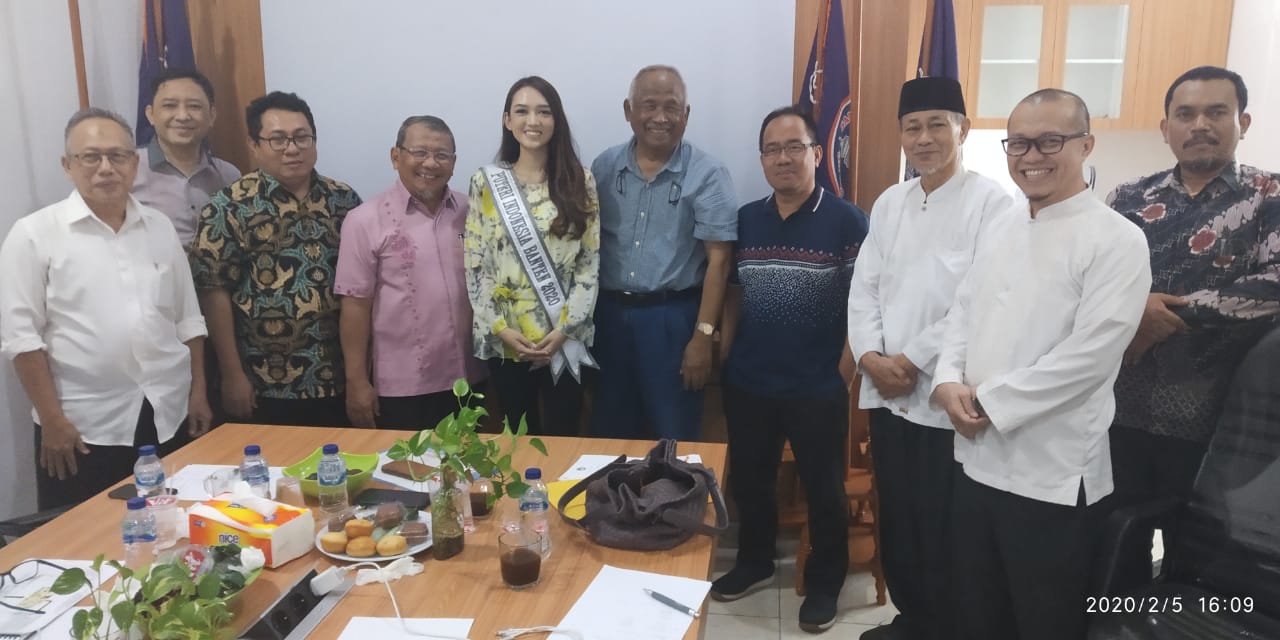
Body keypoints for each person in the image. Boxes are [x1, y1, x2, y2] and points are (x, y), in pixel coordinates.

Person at [931, 89, 1151, 640]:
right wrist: (947, 380)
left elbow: (1090, 357)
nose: (1032, 156)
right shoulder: (1001, 225)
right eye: (1019, 143)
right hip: (976, 459)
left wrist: (987, 401)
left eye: (1050, 141)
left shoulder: (1118, 239)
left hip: (1052, 474)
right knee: (977, 613)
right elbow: (962, 311)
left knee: (1045, 621)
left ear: (1086, 145)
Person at [846, 77, 1012, 640]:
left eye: (937, 124)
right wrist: (870, 355)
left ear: (963, 129)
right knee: (899, 514)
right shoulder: (889, 202)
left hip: (945, 396)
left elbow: (977, 298)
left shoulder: (991, 202)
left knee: (945, 522)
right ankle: (911, 618)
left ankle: (947, 627)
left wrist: (911, 360)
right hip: (887, 393)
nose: (924, 138)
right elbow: (864, 287)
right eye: (912, 127)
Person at [1104, 66, 1280, 590]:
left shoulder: (1269, 197)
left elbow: (1274, 281)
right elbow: (1092, 280)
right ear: (1166, 128)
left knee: (1204, 565)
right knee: (1116, 550)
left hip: (1221, 426)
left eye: (1216, 112)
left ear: (1242, 122)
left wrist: (1168, 316)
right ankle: (1121, 621)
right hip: (1120, 413)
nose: (1199, 124)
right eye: (1185, 114)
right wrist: (1132, 309)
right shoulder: (1127, 198)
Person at [0, 108, 210, 509]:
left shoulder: (159, 226)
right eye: (91, 157)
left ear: (135, 163)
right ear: (67, 165)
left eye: (118, 156)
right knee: (83, 536)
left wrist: (198, 392)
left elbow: (188, 319)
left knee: (173, 525)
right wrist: (51, 420)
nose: (106, 168)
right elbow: (21, 340)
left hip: (167, 410)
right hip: (82, 427)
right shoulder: (33, 235)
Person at [712, 105, 868, 634]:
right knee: (752, 481)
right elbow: (734, 294)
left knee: (824, 488)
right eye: (772, 149)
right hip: (750, 381)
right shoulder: (746, 219)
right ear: (761, 159)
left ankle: (825, 582)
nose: (783, 158)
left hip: (817, 385)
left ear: (817, 153)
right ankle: (754, 561)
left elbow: (865, 304)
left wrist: (843, 372)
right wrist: (726, 355)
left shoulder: (847, 221)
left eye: (794, 147)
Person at [190, 91, 362, 427]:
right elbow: (213, 294)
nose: (292, 148)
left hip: (339, 378)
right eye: (278, 139)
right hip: (264, 383)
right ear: (254, 144)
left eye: (301, 137)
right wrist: (231, 374)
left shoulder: (344, 200)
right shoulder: (228, 207)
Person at [589, 65, 737, 441]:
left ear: (686, 114)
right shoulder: (603, 168)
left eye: (671, 107)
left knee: (675, 438)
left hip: (673, 321)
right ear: (628, 110)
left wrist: (703, 336)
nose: (660, 117)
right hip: (608, 318)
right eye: (649, 105)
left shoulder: (708, 174)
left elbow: (719, 262)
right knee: (609, 435)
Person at [464, 76, 600, 436]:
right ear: (507, 120)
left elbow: (588, 266)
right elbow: (476, 265)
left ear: (556, 121)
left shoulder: (580, 181)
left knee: (564, 437)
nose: (533, 121)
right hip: (507, 340)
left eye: (544, 112)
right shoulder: (485, 182)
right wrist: (501, 329)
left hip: (564, 337)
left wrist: (565, 329)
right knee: (517, 439)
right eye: (522, 111)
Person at [335, 115, 487, 429]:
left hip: (470, 379)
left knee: (471, 460)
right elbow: (355, 306)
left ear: (453, 163)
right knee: (408, 462)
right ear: (396, 157)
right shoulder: (364, 220)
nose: (430, 163)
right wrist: (356, 381)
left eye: (441, 155)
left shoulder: (472, 212)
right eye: (419, 152)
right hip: (402, 388)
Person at [132, 67, 240, 248]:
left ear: (212, 115)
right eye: (169, 106)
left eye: (194, 106)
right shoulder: (127, 170)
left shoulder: (229, 175)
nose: (182, 116)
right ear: (150, 115)